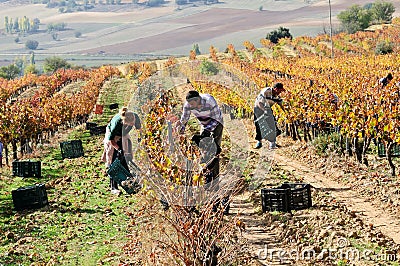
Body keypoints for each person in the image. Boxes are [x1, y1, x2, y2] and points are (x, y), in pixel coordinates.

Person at [177, 87, 228, 213]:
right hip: (204, 125)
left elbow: (216, 120)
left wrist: (206, 134)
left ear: (198, 100)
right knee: (203, 150)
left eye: (193, 105)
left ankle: (214, 172)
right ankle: (206, 172)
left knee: (213, 150)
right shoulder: (188, 105)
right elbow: (184, 119)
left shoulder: (209, 101)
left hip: (216, 124)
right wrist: (180, 130)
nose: (191, 107)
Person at [101, 107, 141, 195]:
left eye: (132, 125)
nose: (131, 126)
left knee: (127, 156)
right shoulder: (117, 124)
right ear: (124, 122)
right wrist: (118, 149)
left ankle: (130, 180)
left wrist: (140, 139)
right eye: (129, 125)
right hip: (112, 137)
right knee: (113, 158)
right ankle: (113, 187)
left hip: (123, 134)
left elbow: (139, 130)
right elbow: (111, 140)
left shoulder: (135, 118)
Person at [254, 82, 285, 149]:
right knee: (258, 125)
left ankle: (272, 143)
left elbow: (281, 105)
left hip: (267, 108)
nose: (280, 92)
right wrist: (264, 111)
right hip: (258, 108)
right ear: (275, 89)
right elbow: (259, 102)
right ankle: (259, 142)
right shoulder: (266, 91)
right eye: (280, 90)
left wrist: (286, 113)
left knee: (273, 125)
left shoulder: (278, 95)